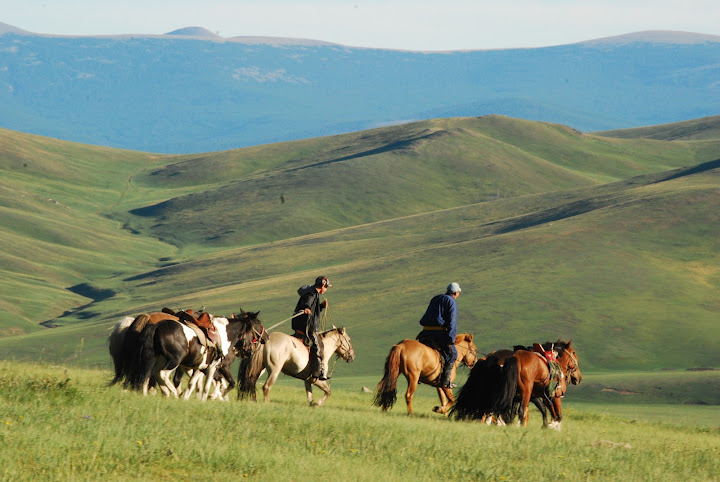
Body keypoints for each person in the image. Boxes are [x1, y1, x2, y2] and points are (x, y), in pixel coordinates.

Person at [416, 282, 461, 388]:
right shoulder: (451, 302)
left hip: (425, 332)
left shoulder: (436, 298)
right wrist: (450, 339)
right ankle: (445, 381)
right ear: (455, 293)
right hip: (439, 333)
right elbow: (452, 322)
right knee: (452, 354)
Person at [292, 276, 332, 380]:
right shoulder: (312, 293)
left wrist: (321, 306)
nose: (326, 289)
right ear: (323, 285)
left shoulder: (313, 293)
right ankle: (317, 372)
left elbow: (313, 308)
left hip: (301, 323)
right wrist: (307, 307)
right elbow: (308, 301)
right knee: (318, 345)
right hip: (306, 325)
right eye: (326, 287)